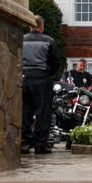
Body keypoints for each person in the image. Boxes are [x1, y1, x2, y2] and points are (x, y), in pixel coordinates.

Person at [22, 15, 61, 154]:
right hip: (42, 79)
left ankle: (23, 144)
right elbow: (56, 62)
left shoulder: (21, 40)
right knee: (43, 114)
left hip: (24, 78)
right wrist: (47, 73)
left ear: (29, 26)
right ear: (41, 26)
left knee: (24, 112)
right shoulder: (49, 41)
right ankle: (40, 145)